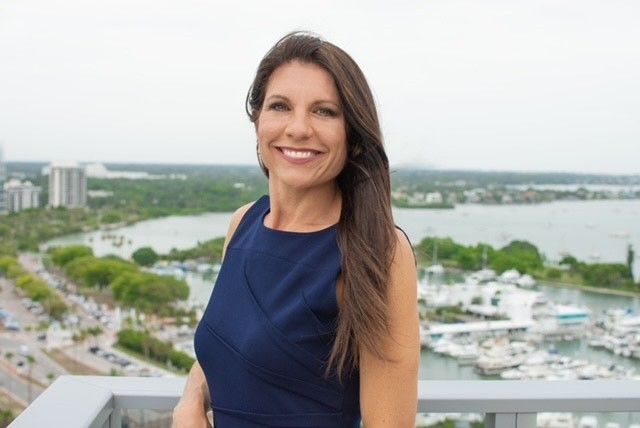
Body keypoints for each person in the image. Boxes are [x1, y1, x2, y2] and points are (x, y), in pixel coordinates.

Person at [172, 31, 419, 428]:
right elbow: (225, 344)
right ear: (258, 121)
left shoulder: (377, 251)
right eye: (280, 106)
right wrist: (189, 402)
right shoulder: (243, 223)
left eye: (324, 111)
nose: (298, 128)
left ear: (352, 134)